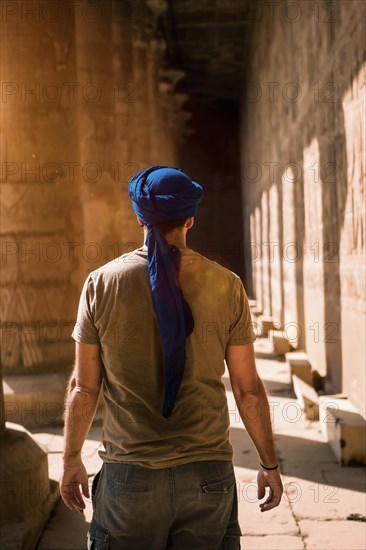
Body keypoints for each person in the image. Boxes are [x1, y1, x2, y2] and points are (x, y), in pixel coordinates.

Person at [60, 166, 283, 550]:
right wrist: (270, 465)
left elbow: (84, 387)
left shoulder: (100, 284)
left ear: (139, 217)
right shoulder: (227, 286)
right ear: (190, 219)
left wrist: (70, 460)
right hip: (207, 474)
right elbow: (248, 391)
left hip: (130, 477)